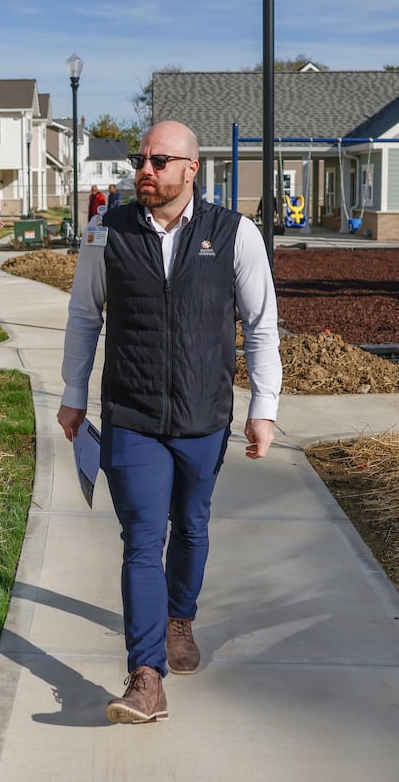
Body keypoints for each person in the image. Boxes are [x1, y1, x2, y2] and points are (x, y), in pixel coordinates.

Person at [56, 120, 281, 725]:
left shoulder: (236, 234)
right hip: (131, 414)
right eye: (140, 158)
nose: (145, 170)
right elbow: (84, 317)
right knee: (140, 539)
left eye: (160, 160)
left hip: (203, 414)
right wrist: (74, 393)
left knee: (192, 527)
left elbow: (260, 324)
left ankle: (180, 617)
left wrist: (264, 407)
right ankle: (146, 675)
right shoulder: (107, 233)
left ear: (191, 168)